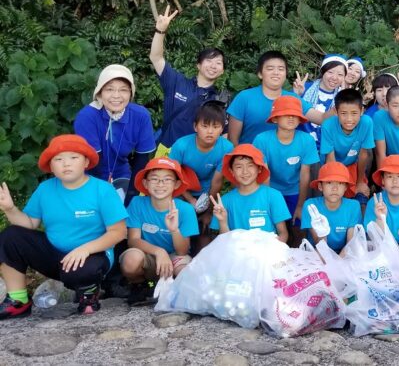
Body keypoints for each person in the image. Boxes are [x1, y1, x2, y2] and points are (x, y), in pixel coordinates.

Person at [0, 135, 127, 318]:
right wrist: (10, 209)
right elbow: (29, 224)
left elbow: (118, 232)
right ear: (51, 167)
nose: (66, 164)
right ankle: (18, 300)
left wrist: (84, 249)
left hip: (92, 256)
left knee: (85, 269)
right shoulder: (45, 189)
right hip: (54, 255)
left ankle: (89, 294)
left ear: (85, 162)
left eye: (73, 158)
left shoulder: (102, 190)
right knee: (11, 236)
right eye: (58, 159)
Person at [149, 5, 228, 154]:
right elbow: (156, 57)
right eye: (209, 61)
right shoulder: (176, 82)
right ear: (198, 65)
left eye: (218, 63)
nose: (213, 66)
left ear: (222, 70)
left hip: (198, 155)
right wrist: (160, 31)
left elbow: (224, 133)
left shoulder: (219, 100)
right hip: (168, 149)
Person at [120, 157, 198, 304]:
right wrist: (159, 252)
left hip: (175, 257)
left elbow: (182, 251)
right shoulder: (137, 203)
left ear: (177, 184)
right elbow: (133, 240)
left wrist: (174, 230)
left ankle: (176, 290)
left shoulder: (185, 209)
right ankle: (141, 285)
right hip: (148, 255)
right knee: (130, 260)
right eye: (154, 179)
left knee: (184, 270)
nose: (160, 184)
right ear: (145, 183)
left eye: (167, 179)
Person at [73, 64, 155, 190]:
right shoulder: (87, 116)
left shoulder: (140, 115)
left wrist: (132, 192)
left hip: (121, 173)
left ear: (131, 93)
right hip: (89, 175)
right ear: (99, 93)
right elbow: (93, 161)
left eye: (123, 90)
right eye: (109, 89)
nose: (116, 96)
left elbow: (142, 159)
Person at [252, 96, 320, 235]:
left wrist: (300, 205)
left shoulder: (307, 140)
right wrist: (268, 203)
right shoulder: (262, 139)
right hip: (270, 189)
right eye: (286, 115)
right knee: (272, 228)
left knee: (298, 227)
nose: (291, 118)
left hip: (296, 190)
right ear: (275, 118)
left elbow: (305, 174)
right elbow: (264, 173)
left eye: (295, 115)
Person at [168, 101, 233, 246]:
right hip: (180, 192)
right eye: (205, 126)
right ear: (195, 126)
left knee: (204, 237)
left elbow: (217, 182)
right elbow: (173, 177)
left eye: (215, 127)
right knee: (180, 229)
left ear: (222, 128)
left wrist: (209, 211)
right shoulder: (181, 145)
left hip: (207, 194)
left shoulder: (227, 148)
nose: (210, 131)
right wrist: (189, 199)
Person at [226, 51, 323, 145]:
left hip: (285, 159)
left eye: (281, 69)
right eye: (270, 68)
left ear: (285, 74)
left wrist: (338, 99)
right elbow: (232, 140)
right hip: (250, 159)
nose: (276, 72)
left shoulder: (292, 99)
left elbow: (321, 119)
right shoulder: (244, 97)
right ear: (260, 74)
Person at [209, 144, 291, 242]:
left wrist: (272, 253)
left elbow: (283, 233)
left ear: (259, 168)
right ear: (232, 171)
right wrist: (222, 222)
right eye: (239, 167)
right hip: (237, 252)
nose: (245, 171)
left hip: (268, 251)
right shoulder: (225, 201)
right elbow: (224, 241)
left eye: (250, 165)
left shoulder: (273, 196)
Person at [320, 89, 374, 203]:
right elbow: (330, 158)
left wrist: (360, 182)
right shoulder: (328, 125)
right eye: (344, 113)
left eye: (354, 113)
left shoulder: (366, 122)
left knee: (360, 194)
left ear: (362, 111)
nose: (349, 119)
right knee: (334, 195)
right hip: (332, 165)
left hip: (353, 164)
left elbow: (363, 154)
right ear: (336, 111)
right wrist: (336, 183)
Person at [301, 162, 363, 253]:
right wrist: (322, 234)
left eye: (340, 183)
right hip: (318, 253)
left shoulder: (353, 206)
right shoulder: (311, 206)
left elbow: (351, 244)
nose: (335, 188)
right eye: (329, 182)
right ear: (320, 186)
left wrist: (338, 263)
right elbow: (320, 245)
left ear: (346, 187)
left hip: (345, 255)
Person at [296, 54, 349, 146]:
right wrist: (296, 95)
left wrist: (344, 101)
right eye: (330, 72)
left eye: (340, 74)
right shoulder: (304, 88)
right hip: (299, 144)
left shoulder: (343, 96)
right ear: (323, 71)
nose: (334, 77)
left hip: (326, 147)